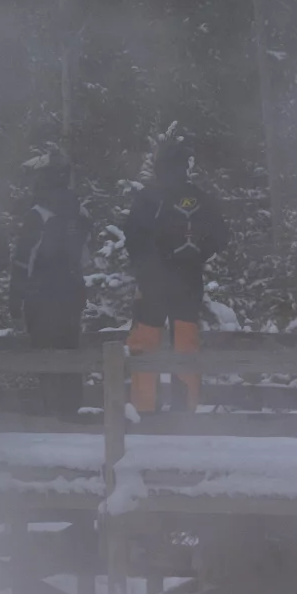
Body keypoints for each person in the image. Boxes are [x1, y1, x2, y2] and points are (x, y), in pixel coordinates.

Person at [121, 136, 224, 415]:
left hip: (152, 283)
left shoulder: (147, 197)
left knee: (145, 343)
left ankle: (144, 408)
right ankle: (185, 409)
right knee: (186, 343)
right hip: (189, 282)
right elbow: (220, 237)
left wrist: (145, 266)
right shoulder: (200, 198)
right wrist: (196, 259)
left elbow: (131, 237)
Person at [11, 157, 88, 417]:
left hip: (40, 296)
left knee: (45, 353)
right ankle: (71, 411)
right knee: (70, 350)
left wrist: (16, 294)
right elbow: (85, 255)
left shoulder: (37, 214)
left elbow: (24, 258)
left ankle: (51, 413)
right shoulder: (79, 211)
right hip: (72, 293)